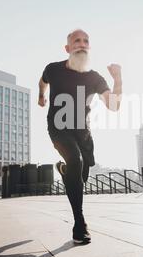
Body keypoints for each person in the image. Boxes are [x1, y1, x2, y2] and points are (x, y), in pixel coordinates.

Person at [38, 29, 123, 244]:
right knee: (76, 160)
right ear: (67, 49)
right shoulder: (53, 69)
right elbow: (42, 82)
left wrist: (118, 79)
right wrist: (41, 96)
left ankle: (65, 170)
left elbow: (114, 106)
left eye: (86, 41)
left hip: (83, 132)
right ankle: (79, 224)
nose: (82, 44)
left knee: (81, 175)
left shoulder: (95, 77)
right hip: (58, 128)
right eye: (77, 41)